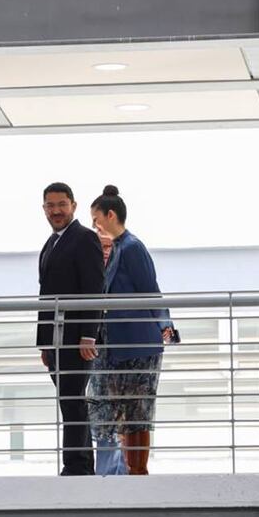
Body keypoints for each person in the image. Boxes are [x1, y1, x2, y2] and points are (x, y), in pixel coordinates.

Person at [89, 185, 174, 475]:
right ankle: (129, 472)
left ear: (110, 215)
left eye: (96, 218)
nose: (94, 225)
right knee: (124, 413)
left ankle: (138, 472)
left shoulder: (132, 247)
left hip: (138, 345)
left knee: (137, 413)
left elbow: (150, 290)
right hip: (120, 346)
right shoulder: (119, 247)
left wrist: (165, 324)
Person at [36, 182, 105, 476]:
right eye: (50, 206)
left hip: (77, 337)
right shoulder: (52, 243)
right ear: (44, 209)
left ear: (73, 206)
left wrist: (89, 334)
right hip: (55, 339)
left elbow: (94, 289)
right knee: (69, 400)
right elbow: (46, 293)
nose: (56, 211)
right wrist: (45, 343)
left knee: (73, 399)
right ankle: (81, 463)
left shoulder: (84, 238)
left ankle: (76, 467)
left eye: (61, 204)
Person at [86, 228, 128, 476]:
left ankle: (122, 472)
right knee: (101, 414)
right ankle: (104, 472)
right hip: (97, 354)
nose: (104, 252)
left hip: (121, 354)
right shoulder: (89, 273)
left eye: (108, 246)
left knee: (124, 414)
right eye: (99, 247)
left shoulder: (122, 274)